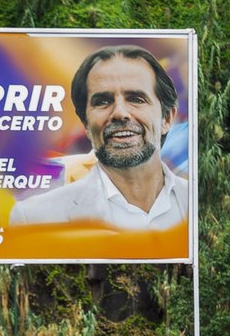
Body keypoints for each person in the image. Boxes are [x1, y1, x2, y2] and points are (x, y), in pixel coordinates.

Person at [10, 45, 187, 230]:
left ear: (167, 118)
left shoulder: (201, 206)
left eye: (136, 99)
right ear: (86, 123)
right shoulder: (34, 218)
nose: (120, 113)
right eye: (103, 101)